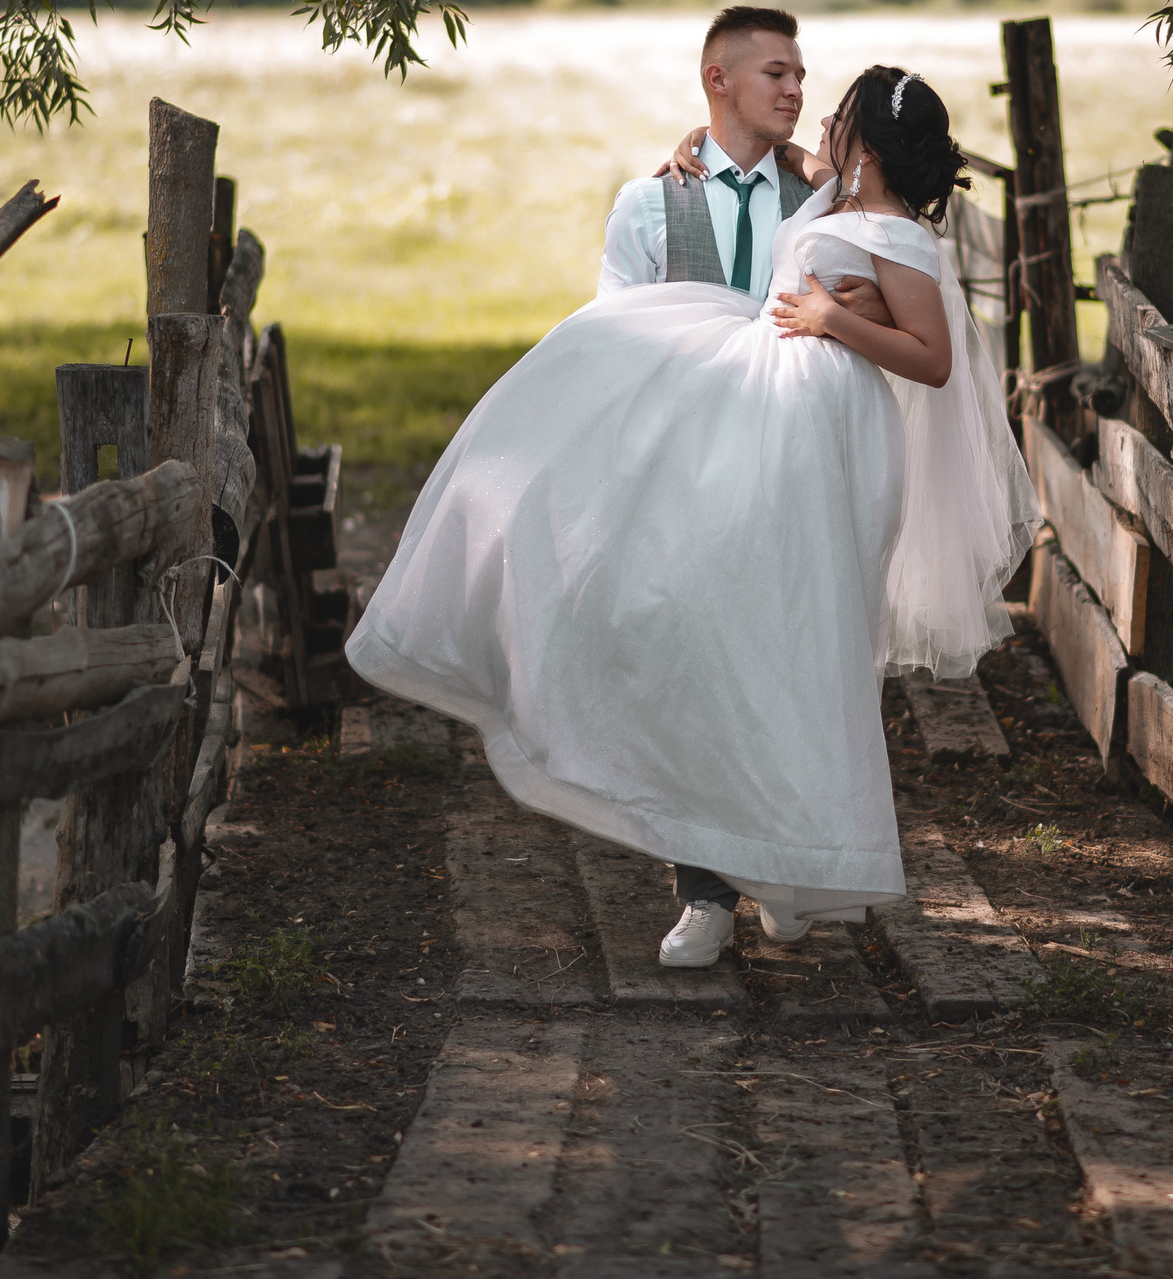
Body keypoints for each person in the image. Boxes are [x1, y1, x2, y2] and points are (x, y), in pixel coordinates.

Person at [344, 53, 1036, 971]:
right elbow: (777, 158)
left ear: (865, 141)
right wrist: (695, 150)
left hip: (824, 433)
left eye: (835, 116)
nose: (816, 122)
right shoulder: (835, 190)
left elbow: (932, 357)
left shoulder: (902, 238)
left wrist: (833, 318)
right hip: (761, 411)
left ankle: (787, 870)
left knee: (798, 641)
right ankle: (726, 877)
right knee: (717, 618)